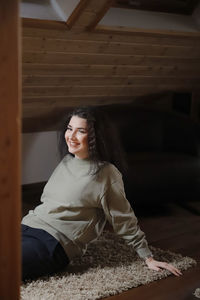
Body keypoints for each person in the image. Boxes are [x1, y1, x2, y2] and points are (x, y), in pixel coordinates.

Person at [21, 106, 182, 281]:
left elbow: (123, 217)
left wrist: (148, 257)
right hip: (28, 225)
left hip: (55, 242)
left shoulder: (106, 174)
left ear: (94, 137)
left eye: (80, 131)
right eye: (69, 128)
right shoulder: (67, 161)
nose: (71, 136)